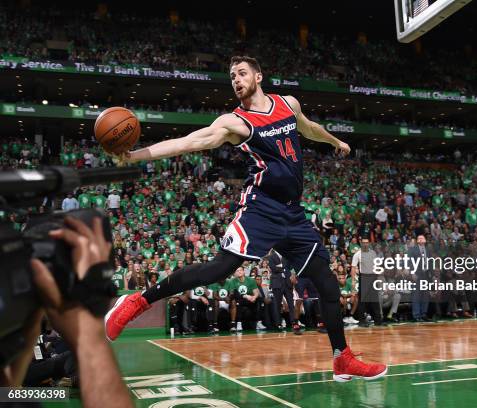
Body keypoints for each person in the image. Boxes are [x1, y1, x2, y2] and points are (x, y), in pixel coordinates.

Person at [105, 55, 386, 381]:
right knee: (219, 269)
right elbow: (188, 142)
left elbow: (310, 129)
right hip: (261, 209)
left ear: (259, 75)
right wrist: (134, 155)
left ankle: (342, 358)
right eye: (232, 76)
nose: (236, 80)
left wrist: (336, 141)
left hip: (294, 214)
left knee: (327, 282)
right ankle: (137, 302)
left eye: (241, 73)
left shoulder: (288, 104)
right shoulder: (234, 122)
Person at [1, 216, 133, 408]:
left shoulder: (19, 304)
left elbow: (6, 388)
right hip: (29, 376)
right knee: (42, 393)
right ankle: (61, 387)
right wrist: (90, 336)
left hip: (24, 371)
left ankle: (61, 385)